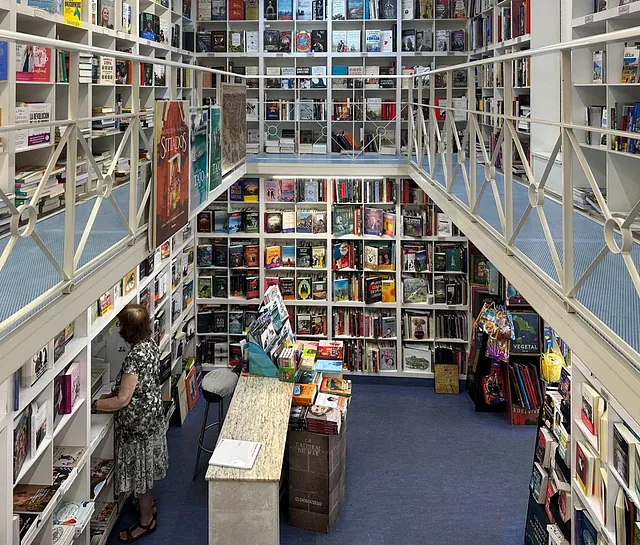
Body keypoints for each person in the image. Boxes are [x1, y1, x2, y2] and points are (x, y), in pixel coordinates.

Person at [92, 304, 168, 543]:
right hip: (152, 417)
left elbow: (124, 399)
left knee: (141, 476)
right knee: (145, 471)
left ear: (129, 329)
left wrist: (94, 406)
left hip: (138, 425)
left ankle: (146, 521)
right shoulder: (150, 344)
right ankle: (149, 509)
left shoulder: (135, 357)